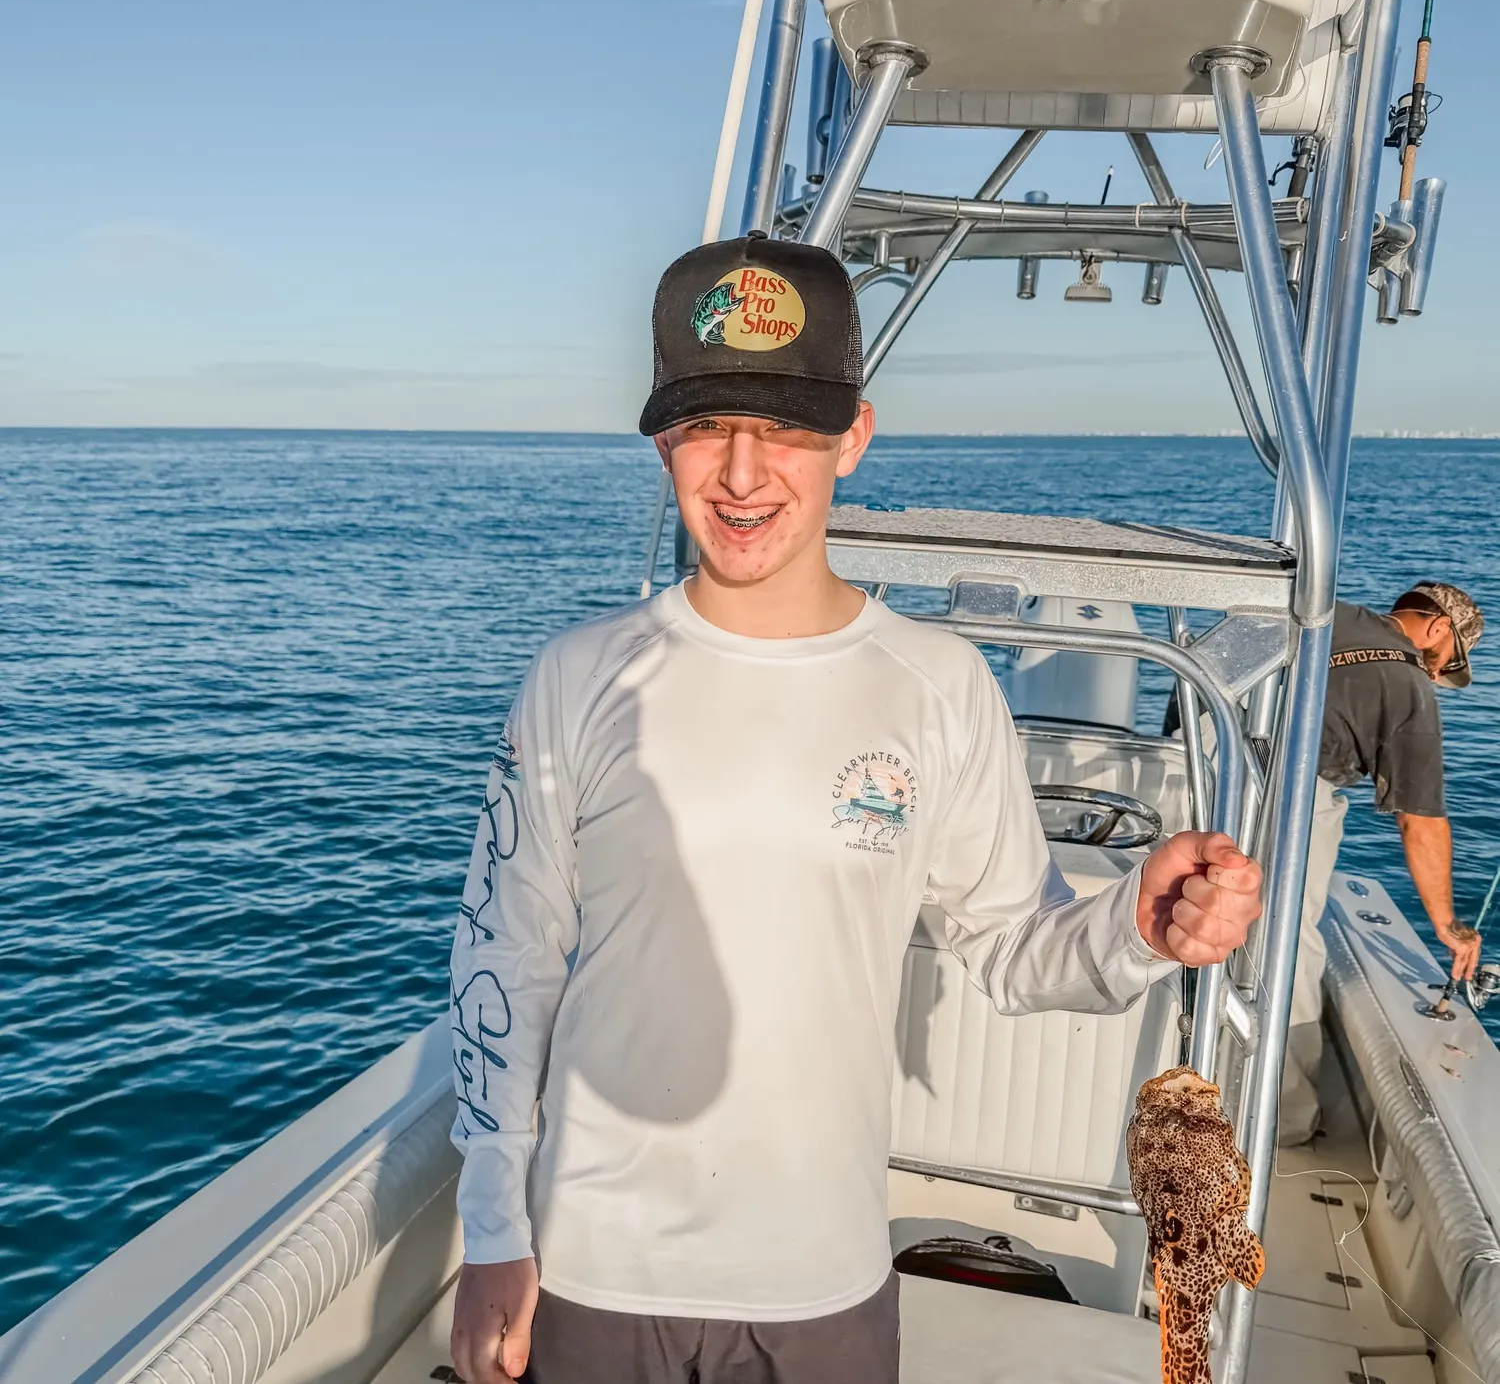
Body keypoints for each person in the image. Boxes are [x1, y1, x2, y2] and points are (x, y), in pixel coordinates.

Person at [446, 234, 1264, 1384]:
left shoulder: (939, 684)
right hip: (594, 1267)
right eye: (704, 427)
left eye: (785, 428)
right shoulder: (577, 677)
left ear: (854, 438)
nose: (741, 472)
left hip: (821, 1280)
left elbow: (1016, 947)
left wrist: (1139, 925)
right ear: (662, 444)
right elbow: (505, 958)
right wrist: (495, 1238)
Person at [1281, 581, 1485, 1144]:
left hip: (1192, 761)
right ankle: (1285, 1121)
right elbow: (1419, 819)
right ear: (1439, 628)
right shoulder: (1406, 681)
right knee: (1289, 942)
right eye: (1448, 661)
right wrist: (1447, 925)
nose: (1440, 676)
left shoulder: (1327, 611)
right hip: (1287, 794)